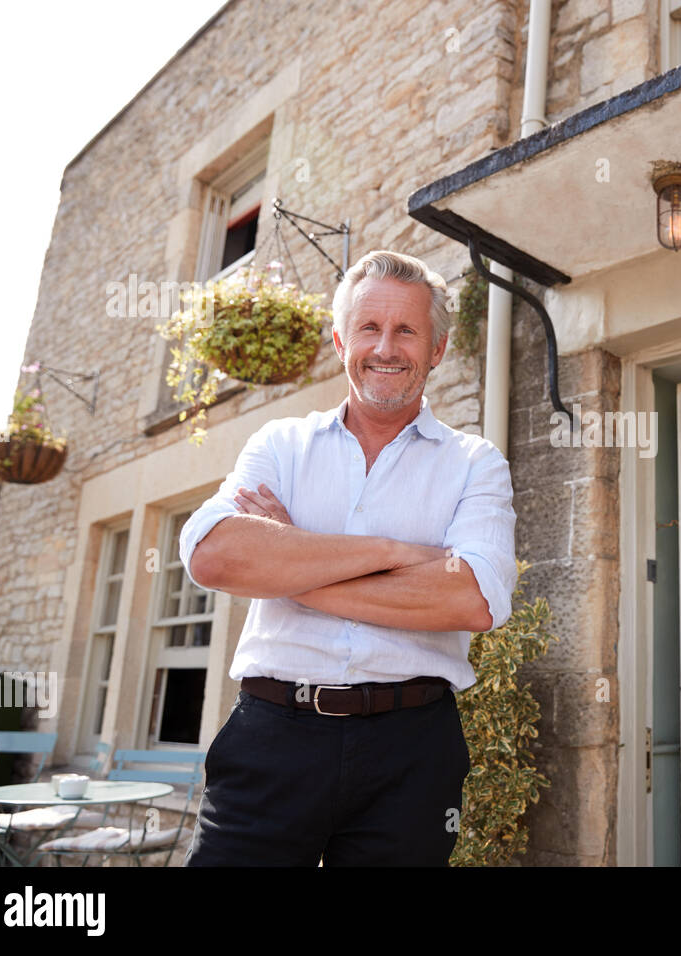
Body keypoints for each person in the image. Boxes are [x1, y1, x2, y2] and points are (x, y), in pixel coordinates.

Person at [178, 250, 517, 866]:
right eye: (369, 328)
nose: (385, 347)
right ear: (340, 340)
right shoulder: (280, 444)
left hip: (411, 750)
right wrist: (392, 553)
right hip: (273, 736)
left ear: (437, 350)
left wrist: (293, 569)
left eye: (406, 330)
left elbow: (472, 597)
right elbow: (215, 555)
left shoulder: (475, 462)